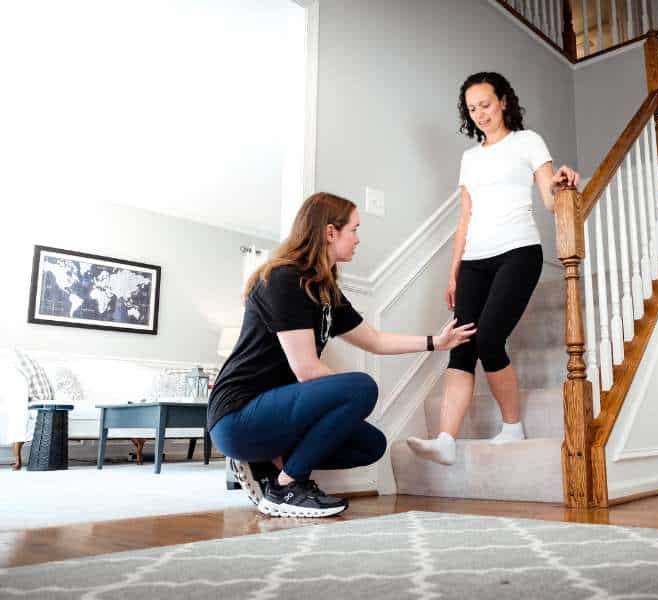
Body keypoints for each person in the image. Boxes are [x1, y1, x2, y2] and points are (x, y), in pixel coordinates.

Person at [208, 192, 476, 518]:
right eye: (354, 229)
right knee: (361, 387)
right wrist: (347, 398)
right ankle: (287, 487)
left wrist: (436, 341)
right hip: (238, 415)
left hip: (276, 413)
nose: (358, 239)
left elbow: (375, 340)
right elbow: (306, 369)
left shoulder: (324, 291)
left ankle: (270, 467)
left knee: (371, 445)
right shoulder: (283, 279)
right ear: (330, 232)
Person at [407, 72, 579, 465]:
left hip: (519, 251)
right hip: (474, 260)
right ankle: (446, 441)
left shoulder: (528, 141)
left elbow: (550, 197)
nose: (480, 113)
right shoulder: (470, 158)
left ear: (503, 101)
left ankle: (513, 426)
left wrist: (563, 183)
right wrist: (453, 273)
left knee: (488, 339)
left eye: (486, 104)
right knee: (462, 344)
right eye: (472, 108)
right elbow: (465, 218)